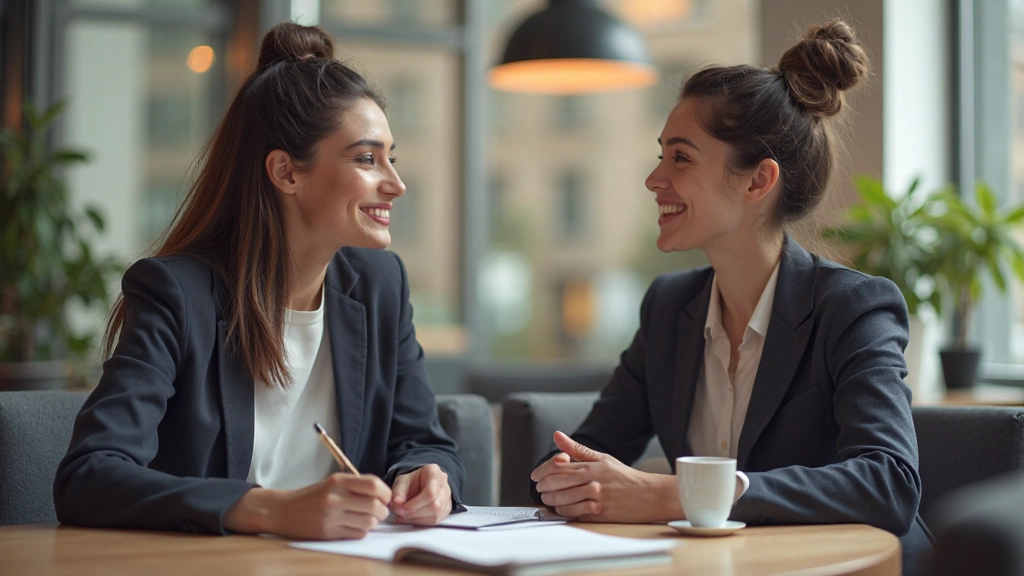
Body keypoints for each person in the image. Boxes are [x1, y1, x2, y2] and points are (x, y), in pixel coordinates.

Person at [529, 20, 931, 575]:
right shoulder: (669, 308)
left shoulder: (852, 307)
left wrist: (674, 495)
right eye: (661, 155)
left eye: (681, 158)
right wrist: (566, 476)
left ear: (757, 182)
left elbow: (888, 482)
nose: (654, 179)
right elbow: (586, 447)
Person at [53, 22, 464, 540]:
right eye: (366, 158)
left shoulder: (380, 285)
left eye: (391, 157)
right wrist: (267, 509)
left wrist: (426, 476)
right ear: (287, 172)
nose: (396, 184)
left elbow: (425, 441)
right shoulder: (177, 295)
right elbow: (88, 477)